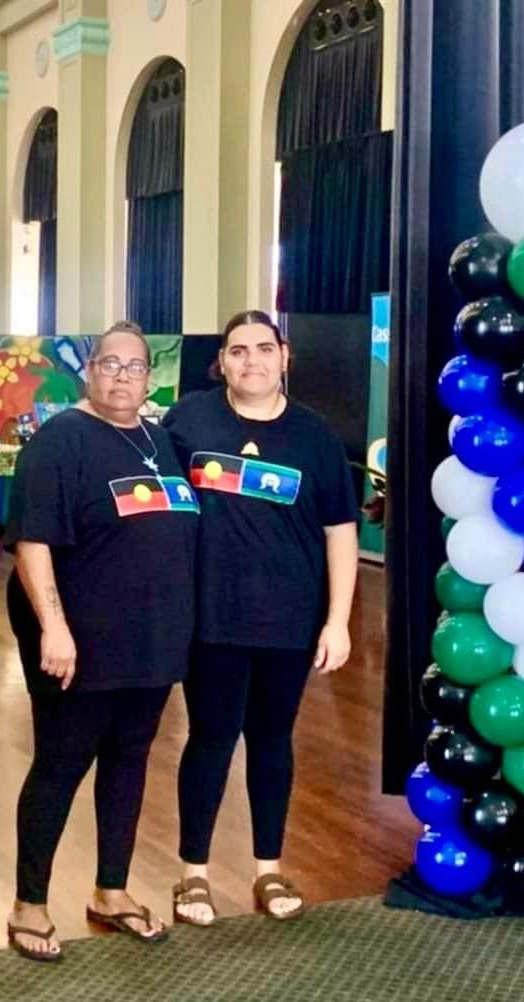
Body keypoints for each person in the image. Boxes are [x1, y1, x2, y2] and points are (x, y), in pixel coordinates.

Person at [4, 321, 199, 961]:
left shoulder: (161, 442)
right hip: (81, 643)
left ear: (150, 378)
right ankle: (29, 904)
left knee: (129, 760)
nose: (122, 376)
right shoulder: (61, 441)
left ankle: (111, 891)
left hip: (153, 641)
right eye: (110, 364)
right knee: (61, 766)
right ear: (89, 371)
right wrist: (54, 628)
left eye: (135, 367)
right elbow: (32, 542)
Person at [161, 310, 359, 926]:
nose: (252, 361)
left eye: (264, 349)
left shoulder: (315, 435)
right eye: (239, 351)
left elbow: (340, 532)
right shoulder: (187, 420)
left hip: (290, 622)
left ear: (284, 357)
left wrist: (338, 621)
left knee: (272, 741)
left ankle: (268, 868)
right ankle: (193, 876)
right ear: (222, 361)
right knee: (211, 738)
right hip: (211, 618)